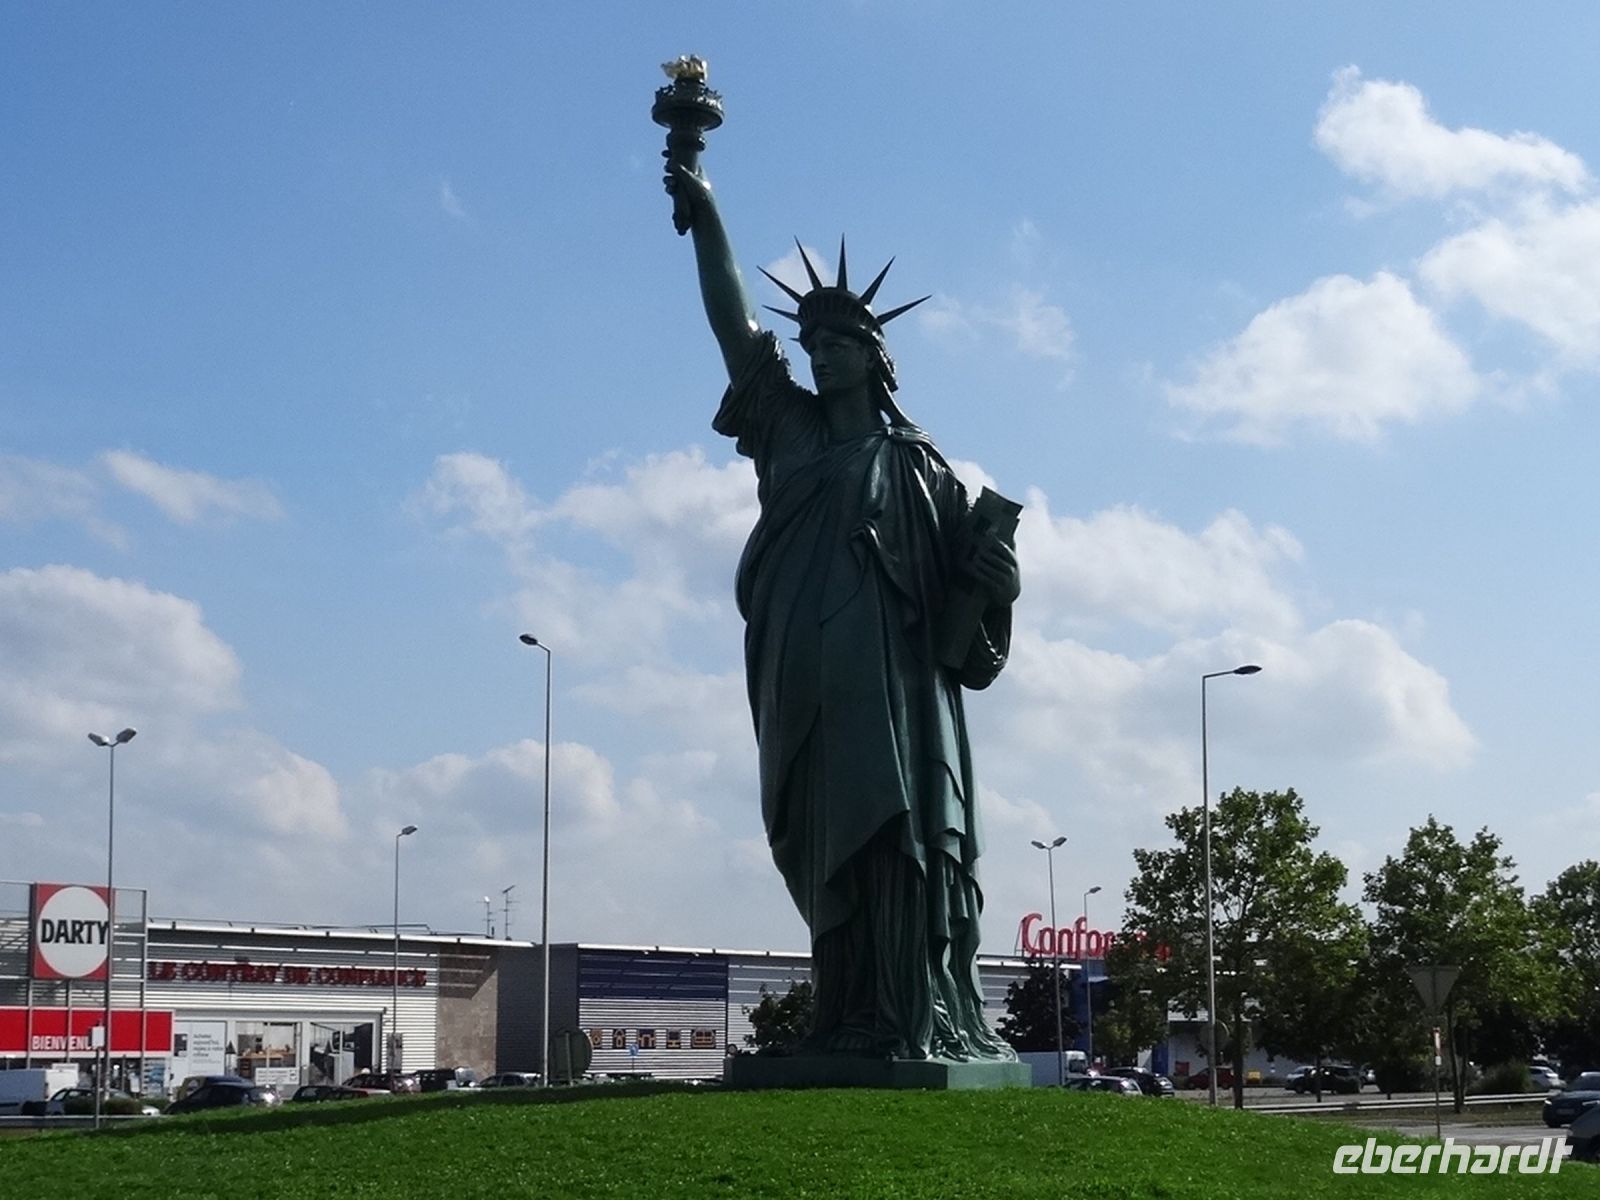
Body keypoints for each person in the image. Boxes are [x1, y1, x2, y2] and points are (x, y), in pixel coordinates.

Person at [668, 164, 1021, 1061]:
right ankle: (847, 1015)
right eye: (813, 344)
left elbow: (966, 639)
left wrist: (1001, 583)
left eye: (840, 344)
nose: (821, 356)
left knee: (899, 843)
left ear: (875, 356)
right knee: (825, 845)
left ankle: (909, 1018)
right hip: (806, 683)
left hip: (898, 698)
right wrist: (707, 210)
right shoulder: (788, 428)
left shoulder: (921, 468)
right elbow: (731, 321)